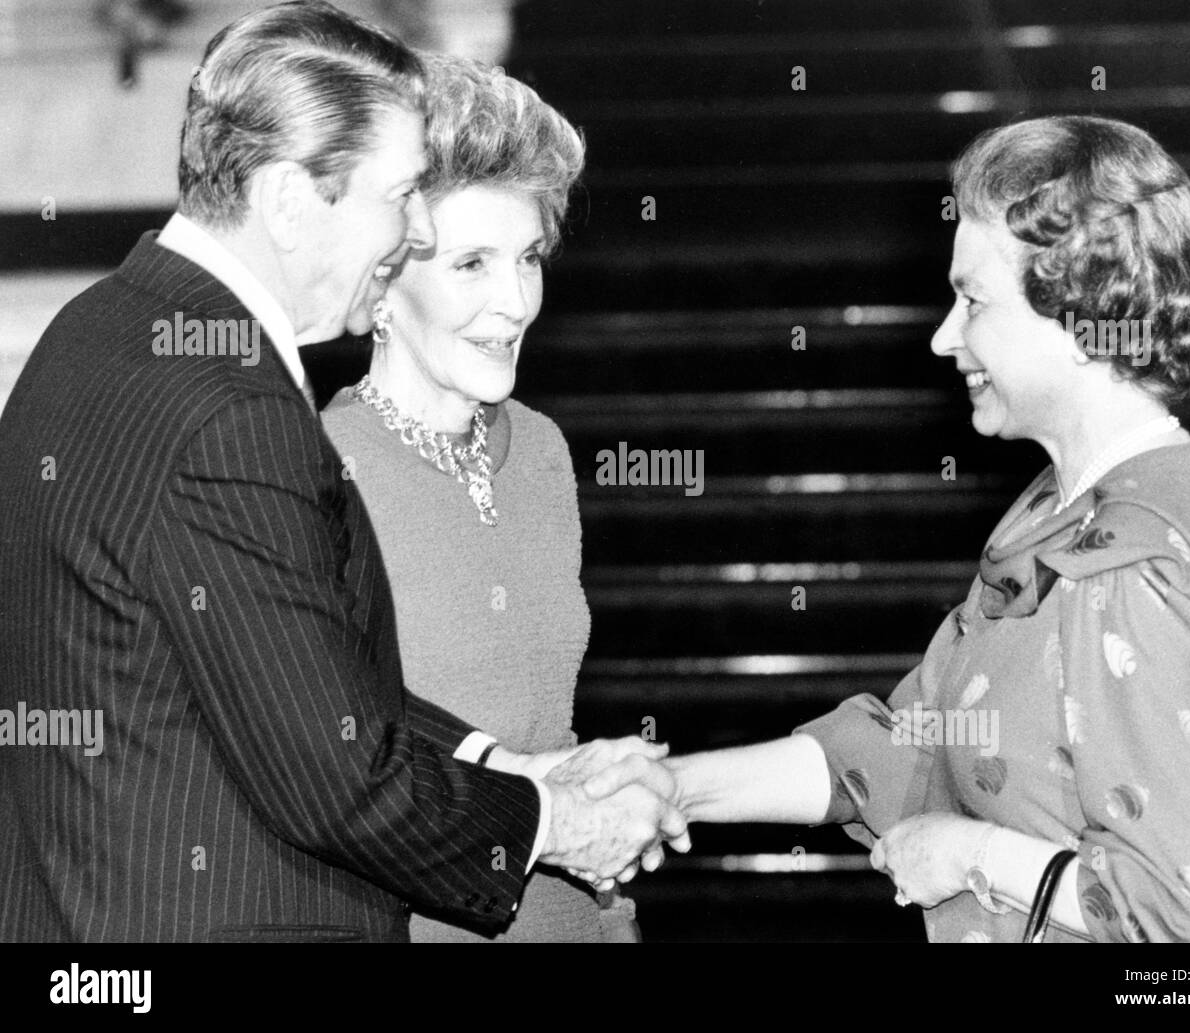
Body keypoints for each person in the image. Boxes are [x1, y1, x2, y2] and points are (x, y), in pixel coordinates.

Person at [0, 0, 682, 943]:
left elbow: (299, 681)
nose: (408, 232)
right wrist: (560, 821)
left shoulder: (98, 326)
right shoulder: (231, 414)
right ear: (289, 200)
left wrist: (514, 766)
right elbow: (335, 776)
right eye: (399, 195)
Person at [639, 115, 1190, 943]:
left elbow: (1188, 936)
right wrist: (671, 788)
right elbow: (915, 747)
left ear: (1082, 319)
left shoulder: (1137, 560)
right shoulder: (1062, 508)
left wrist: (972, 851)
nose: (945, 336)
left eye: (974, 301)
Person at [321, 54, 634, 942]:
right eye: (471, 264)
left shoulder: (538, 449)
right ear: (383, 279)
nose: (515, 301)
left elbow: (548, 726)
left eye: (528, 256)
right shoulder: (319, 469)